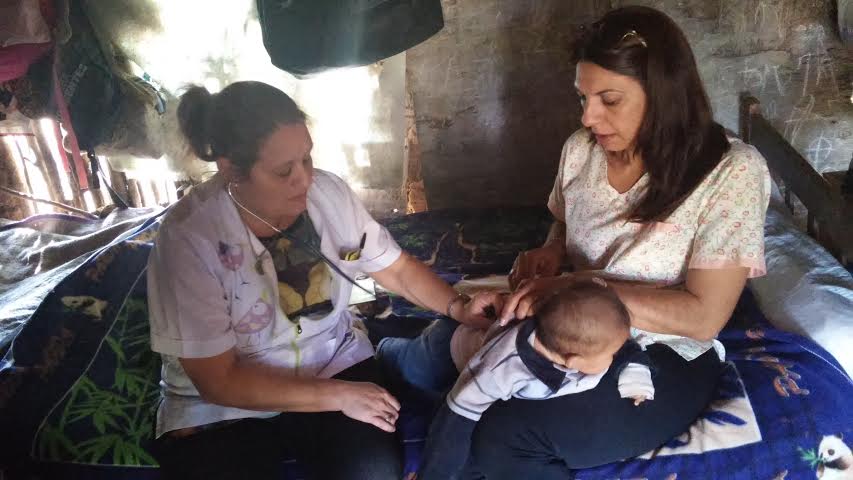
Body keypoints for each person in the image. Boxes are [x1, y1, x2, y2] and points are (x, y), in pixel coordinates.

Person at [379, 5, 771, 478]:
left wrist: (580, 287)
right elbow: (565, 226)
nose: (589, 117)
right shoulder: (581, 151)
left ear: (664, 94)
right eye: (583, 97)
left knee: (502, 435)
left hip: (661, 352)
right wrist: (551, 252)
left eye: (609, 99)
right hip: (570, 319)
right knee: (440, 350)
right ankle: (384, 348)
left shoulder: (730, 172)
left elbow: (703, 317)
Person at [145, 80, 499, 480]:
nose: (304, 180)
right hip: (225, 405)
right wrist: (342, 396)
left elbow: (395, 268)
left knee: (372, 472)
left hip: (330, 361)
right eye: (284, 171)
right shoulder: (190, 236)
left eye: (307, 159)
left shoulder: (329, 194)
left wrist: (458, 307)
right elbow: (219, 381)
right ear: (230, 170)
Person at [418, 281, 655, 480]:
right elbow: (453, 421)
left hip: (536, 377)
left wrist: (636, 372)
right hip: (451, 348)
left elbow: (623, 343)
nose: (616, 355)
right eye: (611, 355)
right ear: (572, 361)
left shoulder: (572, 341)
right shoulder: (498, 371)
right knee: (415, 368)